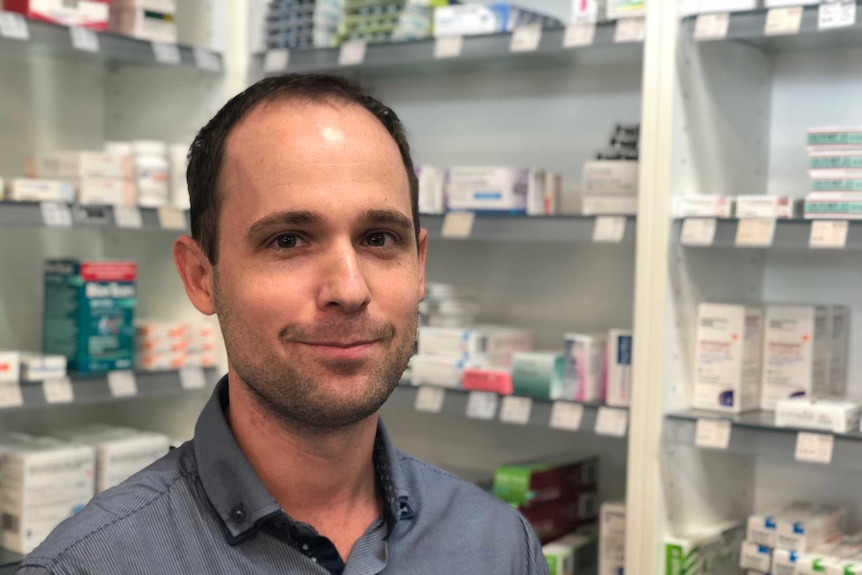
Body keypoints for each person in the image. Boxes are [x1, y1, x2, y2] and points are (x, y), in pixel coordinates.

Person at [17, 74, 549, 575]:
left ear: (420, 267)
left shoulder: (496, 545)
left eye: (379, 238)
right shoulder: (88, 565)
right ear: (202, 277)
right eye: (288, 240)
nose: (349, 289)